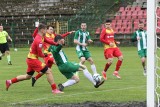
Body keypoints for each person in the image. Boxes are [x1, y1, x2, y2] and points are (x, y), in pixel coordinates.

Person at [5, 23, 63, 94]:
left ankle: (9, 81)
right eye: (45, 29)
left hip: (30, 59)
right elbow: (39, 53)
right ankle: (54, 89)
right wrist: (45, 56)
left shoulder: (41, 36)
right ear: (42, 30)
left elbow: (48, 41)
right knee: (48, 71)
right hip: (32, 60)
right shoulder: (38, 40)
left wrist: (56, 44)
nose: (47, 31)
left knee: (28, 76)